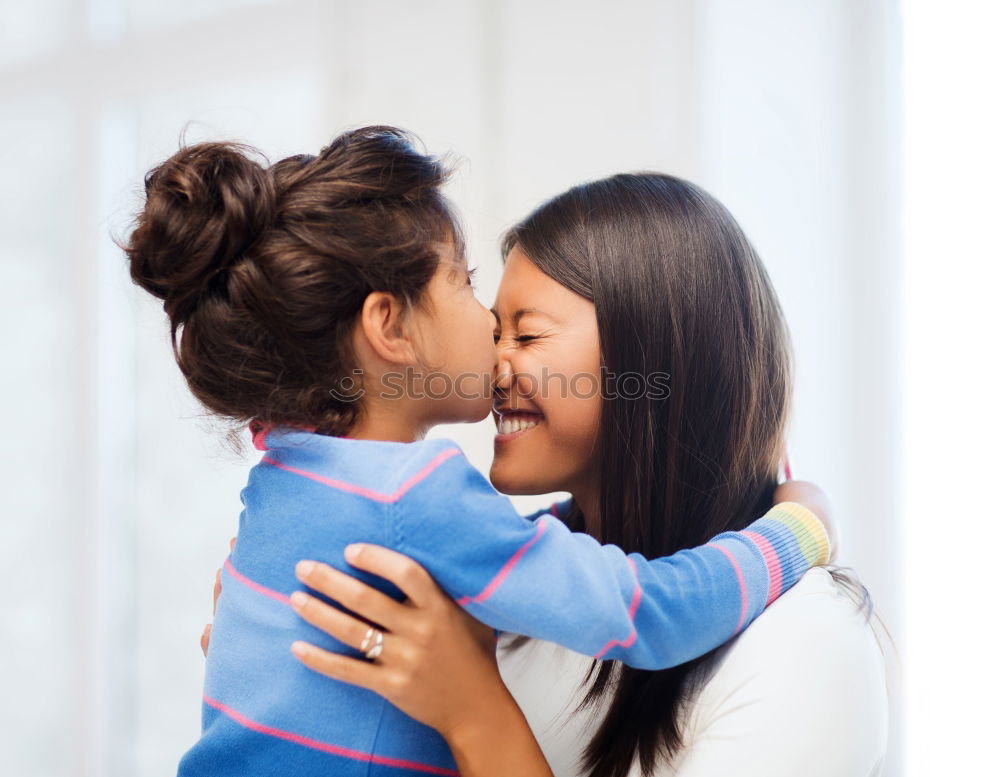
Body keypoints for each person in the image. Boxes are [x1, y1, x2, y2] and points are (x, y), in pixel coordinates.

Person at [124, 126, 832, 777]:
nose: (493, 341)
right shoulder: (420, 493)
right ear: (388, 326)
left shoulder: (284, 473)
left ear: (656, 354)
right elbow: (649, 611)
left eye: (526, 334)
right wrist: (798, 529)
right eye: (464, 283)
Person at [283, 172, 889, 777]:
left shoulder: (805, 643)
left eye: (527, 334)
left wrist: (473, 713)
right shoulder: (505, 605)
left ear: (654, 355)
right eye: (495, 333)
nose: (491, 368)